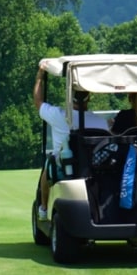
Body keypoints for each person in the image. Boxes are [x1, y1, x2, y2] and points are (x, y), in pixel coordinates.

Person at [33, 67, 109, 220]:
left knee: (49, 164)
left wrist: (40, 76)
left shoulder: (58, 115)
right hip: (95, 167)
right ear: (88, 99)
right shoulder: (100, 122)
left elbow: (38, 101)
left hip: (66, 167)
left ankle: (43, 208)